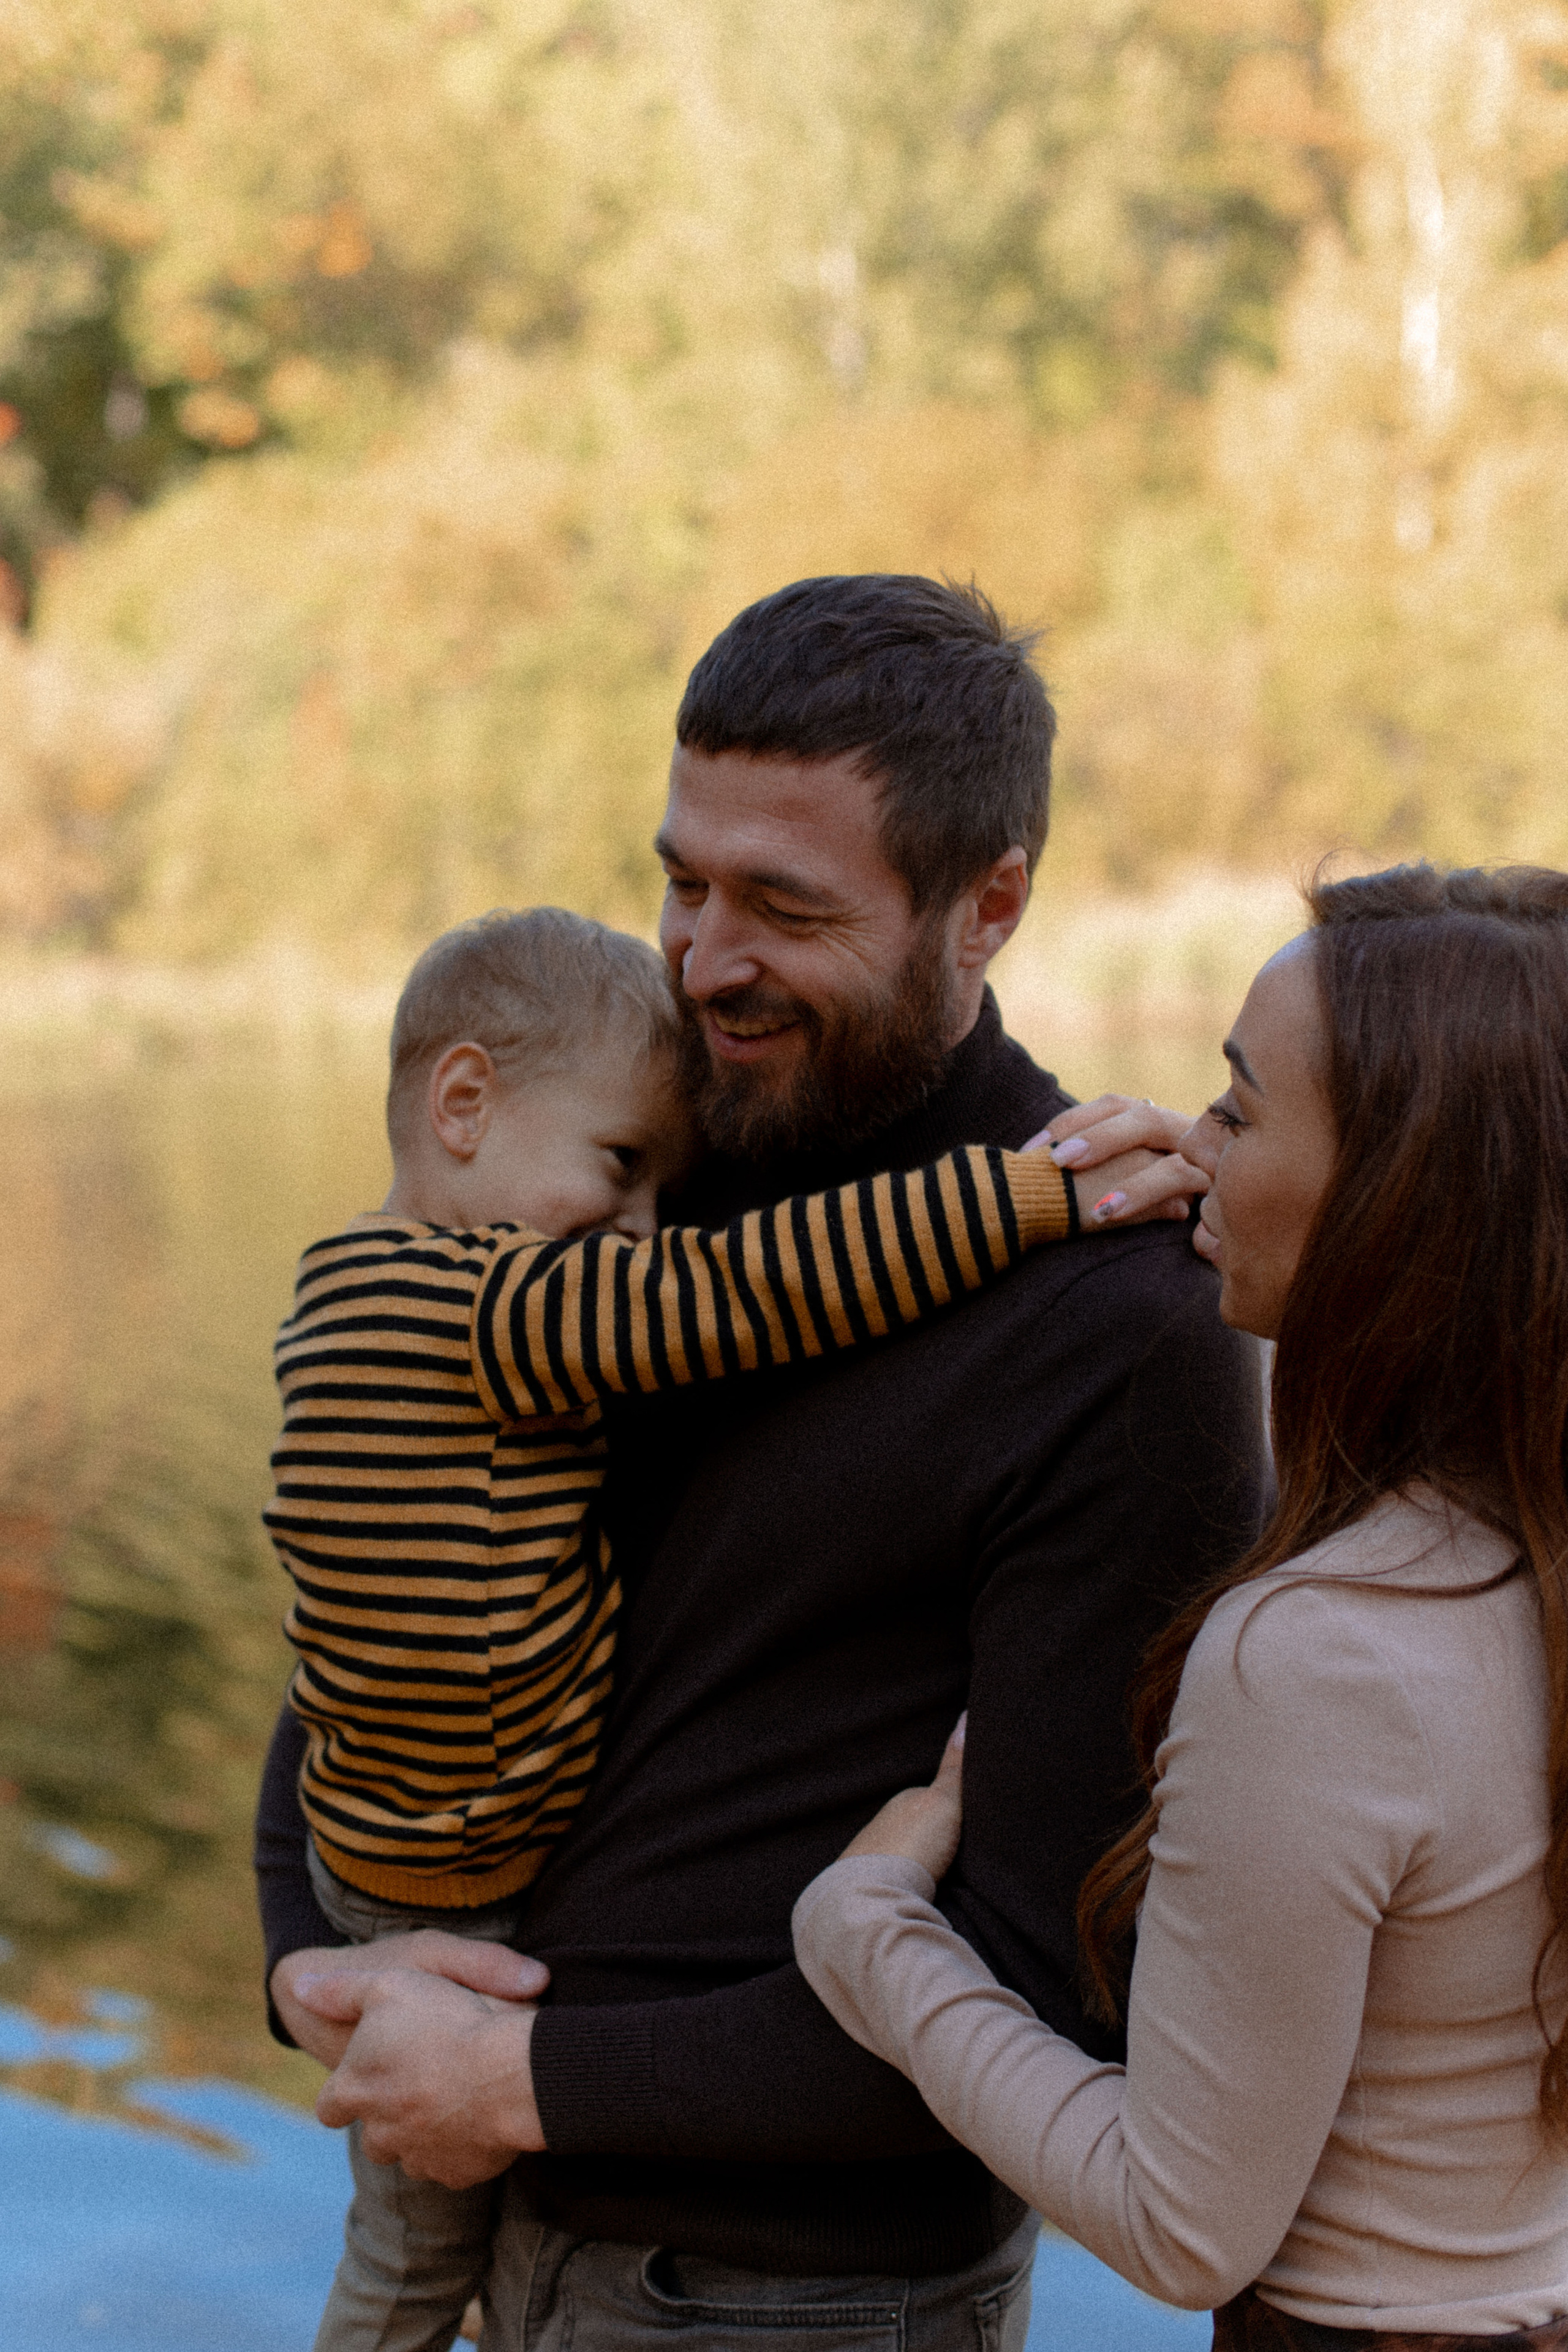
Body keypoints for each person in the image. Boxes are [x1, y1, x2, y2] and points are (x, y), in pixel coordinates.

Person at [256, 573, 1268, 2352]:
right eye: (683, 881)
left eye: (784, 906)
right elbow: (373, 1586)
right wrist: (312, 1956)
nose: (706, 960)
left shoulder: (1122, 1330)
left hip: (796, 2297)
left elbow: (1057, 1996)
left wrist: (531, 2076)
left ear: (990, 904)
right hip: (497, 2220)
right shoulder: (620, 1178)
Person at [266, 900, 1114, 2352]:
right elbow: (748, 1291)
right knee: (409, 2270)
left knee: (415, 2254)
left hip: (372, 1867)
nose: (643, 1227)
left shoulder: (337, 1285)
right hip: (451, 1903)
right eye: (621, 1167)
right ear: (463, 1103)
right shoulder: (493, 1306)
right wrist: (1025, 1201)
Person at [793, 861, 1568, 2351]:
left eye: (1233, 1105)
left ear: (1396, 1200)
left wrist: (869, 1934)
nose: (1188, 1140)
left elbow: (1182, 2221)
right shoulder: (1517, 1555)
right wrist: (1234, 1222)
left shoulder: (1320, 1658)